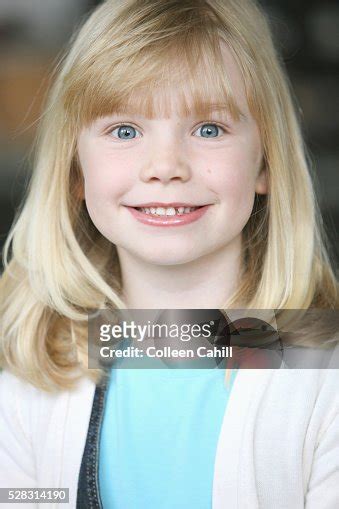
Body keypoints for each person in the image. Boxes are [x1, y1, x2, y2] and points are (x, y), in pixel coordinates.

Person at [0, 0, 338, 507]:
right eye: (125, 130)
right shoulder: (32, 383)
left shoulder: (325, 384)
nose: (165, 167)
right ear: (76, 171)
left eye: (209, 129)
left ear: (265, 163)